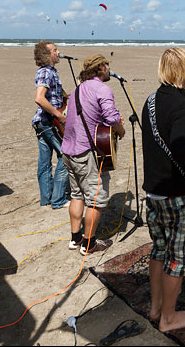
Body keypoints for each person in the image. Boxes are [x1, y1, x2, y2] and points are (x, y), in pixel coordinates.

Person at [141, 48, 185, 333]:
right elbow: (181, 150)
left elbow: (169, 138)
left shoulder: (151, 100)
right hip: (176, 195)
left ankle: (156, 307)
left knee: (159, 250)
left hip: (154, 192)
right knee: (179, 257)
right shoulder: (184, 107)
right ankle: (168, 318)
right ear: (183, 71)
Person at [61, 54, 126, 255]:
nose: (109, 68)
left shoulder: (78, 88)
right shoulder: (102, 89)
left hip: (69, 150)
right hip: (86, 153)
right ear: (102, 67)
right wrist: (120, 130)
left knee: (77, 195)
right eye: (107, 65)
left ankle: (75, 238)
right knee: (95, 200)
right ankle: (89, 244)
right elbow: (110, 116)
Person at [32, 41, 68, 210]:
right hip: (47, 122)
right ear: (47, 55)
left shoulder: (51, 72)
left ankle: (46, 198)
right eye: (55, 50)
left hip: (43, 122)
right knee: (65, 156)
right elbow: (39, 98)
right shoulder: (45, 72)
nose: (58, 52)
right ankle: (58, 199)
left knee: (45, 161)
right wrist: (58, 114)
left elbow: (56, 94)